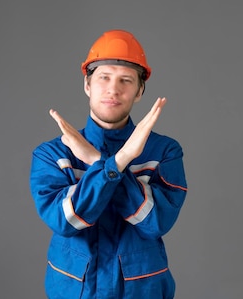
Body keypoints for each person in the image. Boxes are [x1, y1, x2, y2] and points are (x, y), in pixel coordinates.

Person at [29, 29, 188, 299]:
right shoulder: (53, 154)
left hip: (142, 291)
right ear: (87, 85)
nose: (113, 89)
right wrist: (119, 161)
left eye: (126, 80)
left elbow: (154, 222)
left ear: (139, 91)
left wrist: (97, 162)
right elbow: (67, 221)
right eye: (104, 77)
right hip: (75, 291)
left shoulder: (164, 151)